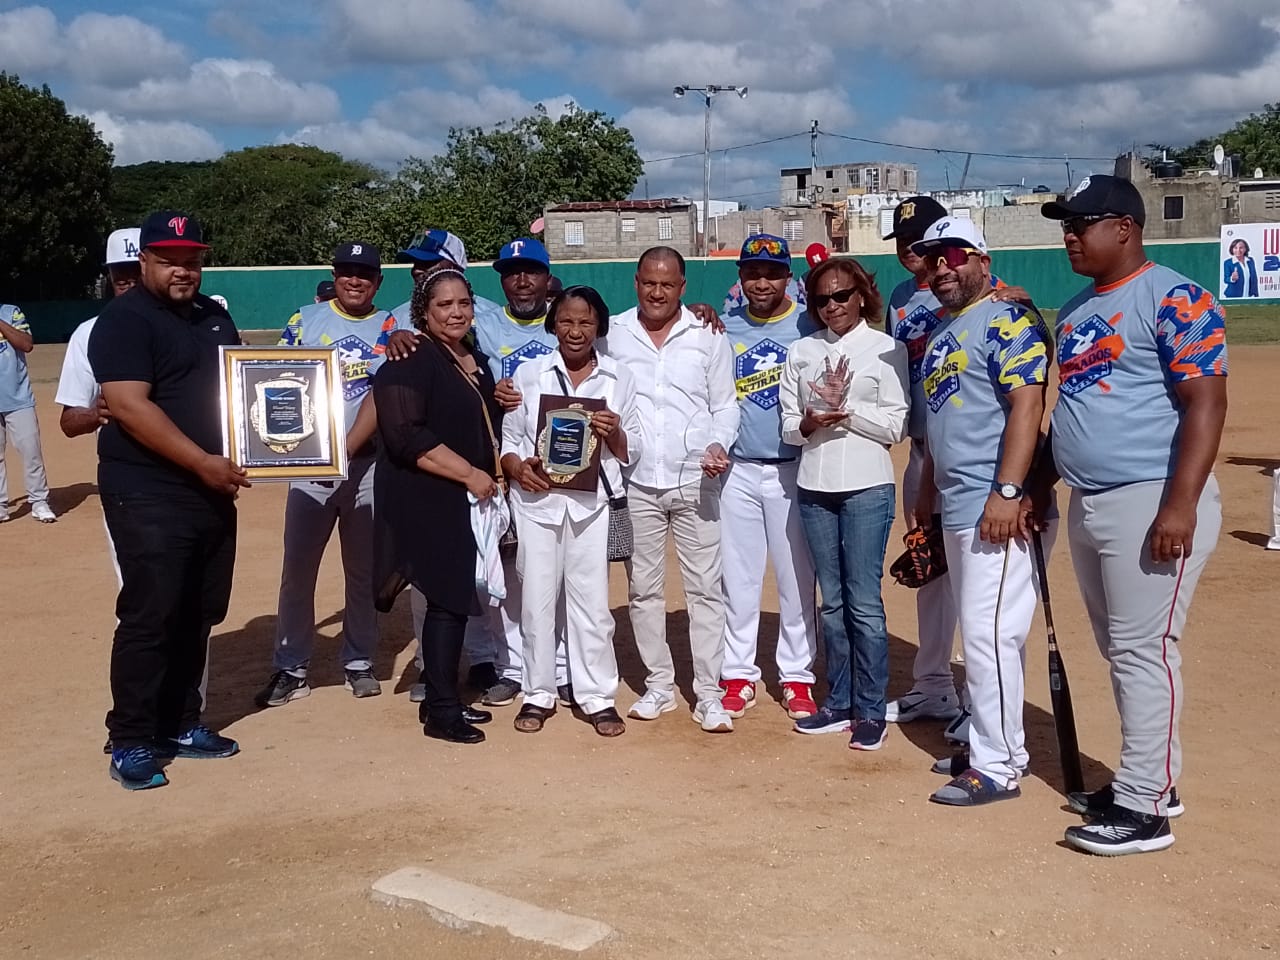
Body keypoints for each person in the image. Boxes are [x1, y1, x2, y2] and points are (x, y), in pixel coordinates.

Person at [1032, 175, 1225, 854]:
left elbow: (1205, 403)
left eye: (1081, 224)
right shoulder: (1081, 309)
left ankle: (1145, 809)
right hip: (1091, 501)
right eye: (1066, 225)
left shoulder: (1174, 295)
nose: (1069, 237)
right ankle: (1150, 779)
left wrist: (1180, 506)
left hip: (1153, 497)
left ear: (1125, 227)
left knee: (1147, 651)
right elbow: (1077, 412)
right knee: (1123, 651)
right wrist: (1041, 480)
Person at [88, 210, 247, 790]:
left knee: (198, 610)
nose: (183, 270)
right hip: (149, 489)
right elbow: (130, 406)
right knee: (151, 613)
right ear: (145, 261)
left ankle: (180, 723)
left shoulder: (213, 318)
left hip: (210, 488)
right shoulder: (124, 320)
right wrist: (202, 461)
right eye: (170, 260)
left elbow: (240, 393)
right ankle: (130, 736)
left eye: (192, 260)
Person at [910, 216, 1054, 805]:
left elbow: (1028, 405)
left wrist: (1011, 491)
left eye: (954, 255)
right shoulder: (947, 329)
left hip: (995, 506)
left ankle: (997, 766)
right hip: (959, 501)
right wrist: (929, 494)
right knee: (992, 632)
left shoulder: (1006, 318)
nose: (942, 266)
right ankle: (999, 746)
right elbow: (946, 427)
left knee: (989, 634)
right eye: (932, 258)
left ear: (982, 259)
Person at [255, 242, 410, 709]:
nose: (355, 280)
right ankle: (291, 665)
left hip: (365, 465)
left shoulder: (390, 326)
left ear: (379, 281)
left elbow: (385, 396)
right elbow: (272, 379)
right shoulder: (305, 319)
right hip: (308, 467)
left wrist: (347, 447)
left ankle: (359, 660)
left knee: (361, 571)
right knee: (298, 570)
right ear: (335, 275)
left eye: (365, 273)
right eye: (347, 271)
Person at [606, 246, 740, 732]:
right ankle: (659, 686)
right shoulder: (613, 334)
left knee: (705, 590)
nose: (657, 292)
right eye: (648, 282)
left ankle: (708, 694)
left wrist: (718, 443)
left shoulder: (707, 333)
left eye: (667, 284)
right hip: (636, 479)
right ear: (635, 282)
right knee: (644, 590)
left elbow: (726, 405)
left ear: (683, 287)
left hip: (695, 479)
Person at [780, 257, 909, 749]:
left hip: (866, 486)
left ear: (861, 296)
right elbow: (788, 427)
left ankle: (871, 709)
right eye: (821, 299)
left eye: (841, 296)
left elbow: (896, 426)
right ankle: (838, 701)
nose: (832, 306)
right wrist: (811, 422)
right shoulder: (802, 350)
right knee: (830, 603)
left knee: (863, 602)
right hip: (814, 485)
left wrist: (847, 412)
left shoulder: (886, 350)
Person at [500, 285, 641, 736]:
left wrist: (614, 431)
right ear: (552, 324)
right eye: (565, 321)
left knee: (593, 606)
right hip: (538, 504)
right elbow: (509, 445)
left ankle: (597, 696)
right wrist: (520, 470)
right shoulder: (529, 374)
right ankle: (538, 693)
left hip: (591, 506)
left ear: (599, 326)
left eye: (585, 322)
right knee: (537, 604)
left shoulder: (619, 379)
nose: (575, 331)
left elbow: (631, 450)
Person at [372, 268, 502, 744]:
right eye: (444, 305)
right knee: (446, 601)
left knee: (452, 599)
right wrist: (469, 473)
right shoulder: (410, 358)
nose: (456, 312)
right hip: (426, 494)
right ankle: (443, 709)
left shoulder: (472, 357)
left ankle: (442, 699)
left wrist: (500, 399)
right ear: (423, 313)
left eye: (463, 303)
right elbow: (407, 436)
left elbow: (474, 416)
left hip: (461, 497)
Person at [716, 235, 820, 721]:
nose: (762, 281)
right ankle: (737, 672)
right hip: (738, 468)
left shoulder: (809, 322)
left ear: (787, 276)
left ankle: (797, 676)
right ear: (740, 276)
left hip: (792, 467)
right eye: (753, 271)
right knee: (737, 578)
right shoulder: (721, 325)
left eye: (772, 272)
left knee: (797, 579)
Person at [57, 228, 141, 440]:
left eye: (139, 279)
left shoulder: (185, 325)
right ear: (110, 280)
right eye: (122, 281)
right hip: (123, 465)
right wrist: (97, 413)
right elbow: (69, 423)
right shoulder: (88, 333)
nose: (132, 289)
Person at [0, 301, 55, 524]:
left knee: (31, 451)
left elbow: (26, 343)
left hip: (18, 398)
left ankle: (39, 502)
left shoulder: (10, 312)